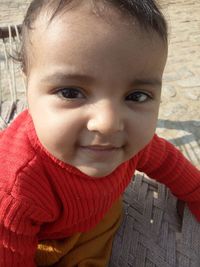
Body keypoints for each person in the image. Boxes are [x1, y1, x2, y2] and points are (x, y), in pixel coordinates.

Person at [0, 0, 199, 266]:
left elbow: (170, 164)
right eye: (70, 92)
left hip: (97, 218)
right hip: (44, 238)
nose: (108, 123)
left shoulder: (132, 144)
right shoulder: (16, 190)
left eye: (136, 96)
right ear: (27, 85)